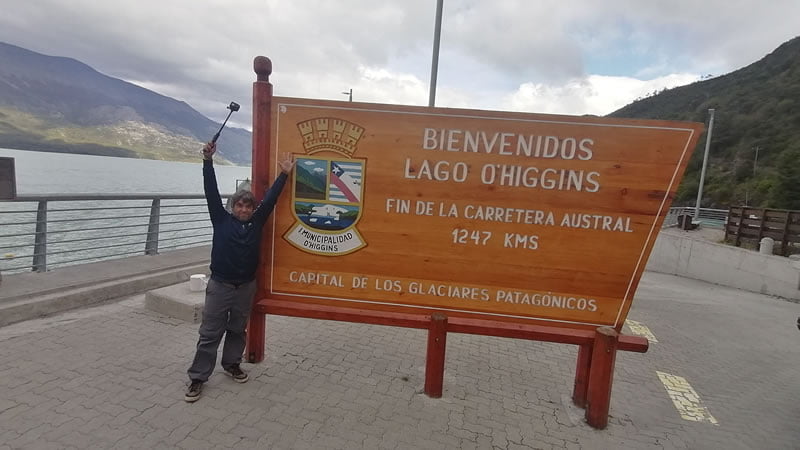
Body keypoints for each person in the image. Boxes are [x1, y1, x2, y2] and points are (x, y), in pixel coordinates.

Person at [185, 141, 294, 402]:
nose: (244, 209)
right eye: (239, 206)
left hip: (245, 287)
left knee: (237, 330)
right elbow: (210, 190)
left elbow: (270, 200)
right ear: (232, 207)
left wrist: (284, 174)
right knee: (210, 333)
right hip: (220, 286)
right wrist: (207, 161)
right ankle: (198, 377)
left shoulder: (257, 221)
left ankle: (232, 364)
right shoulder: (220, 219)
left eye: (248, 206)